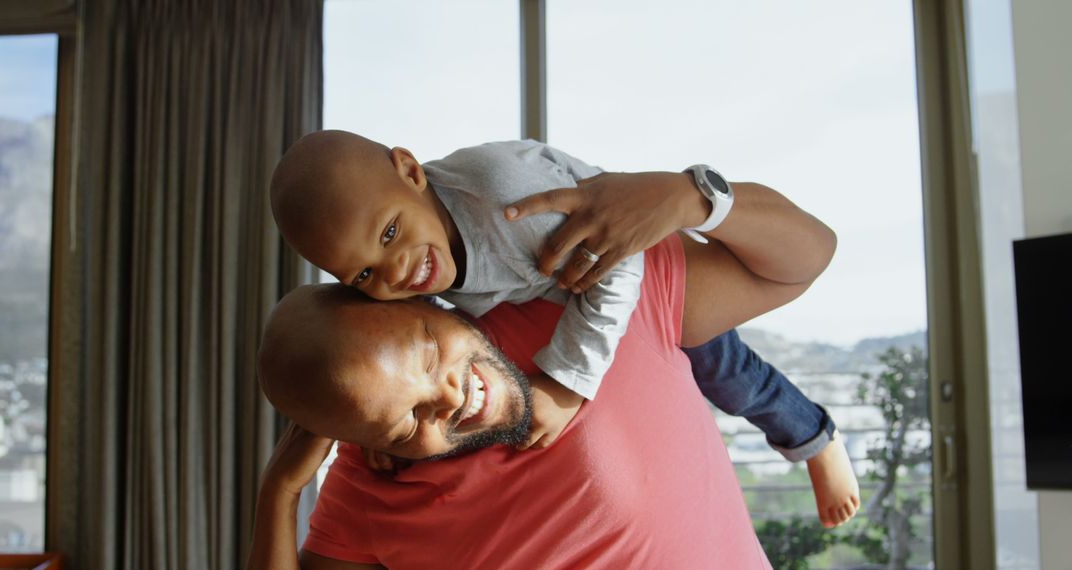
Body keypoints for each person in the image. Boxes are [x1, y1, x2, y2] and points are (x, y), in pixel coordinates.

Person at [248, 170, 856, 569]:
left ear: (426, 306)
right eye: (407, 420)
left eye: (430, 351)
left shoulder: (583, 301)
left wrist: (689, 196)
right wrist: (280, 492)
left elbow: (805, 256)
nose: (450, 398)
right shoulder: (371, 473)